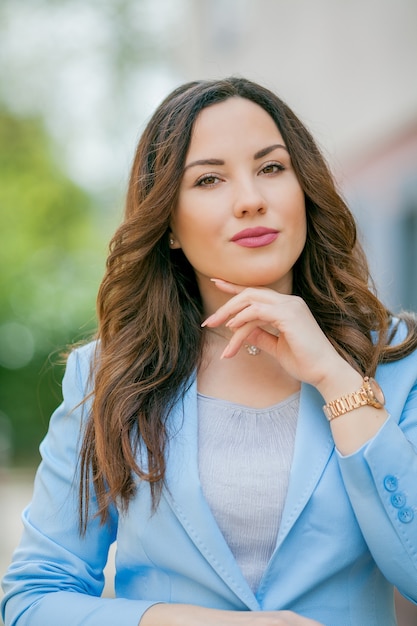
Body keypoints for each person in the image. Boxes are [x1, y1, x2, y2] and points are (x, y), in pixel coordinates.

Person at [2, 77, 417, 626]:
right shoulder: (109, 375)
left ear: (305, 190)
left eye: (272, 168)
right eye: (209, 179)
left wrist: (335, 378)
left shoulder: (396, 358)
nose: (251, 200)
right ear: (169, 224)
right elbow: (32, 600)